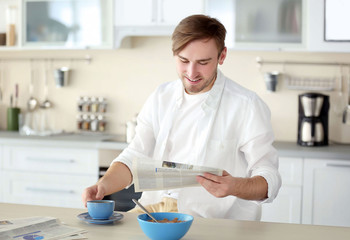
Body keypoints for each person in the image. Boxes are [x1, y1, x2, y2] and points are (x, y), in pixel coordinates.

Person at [82, 14, 281, 221]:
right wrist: (103, 186)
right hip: (154, 215)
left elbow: (270, 178)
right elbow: (135, 155)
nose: (191, 72)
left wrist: (235, 186)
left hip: (213, 225)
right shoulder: (161, 96)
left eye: (203, 62)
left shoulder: (247, 105)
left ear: (222, 56)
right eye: (183, 60)